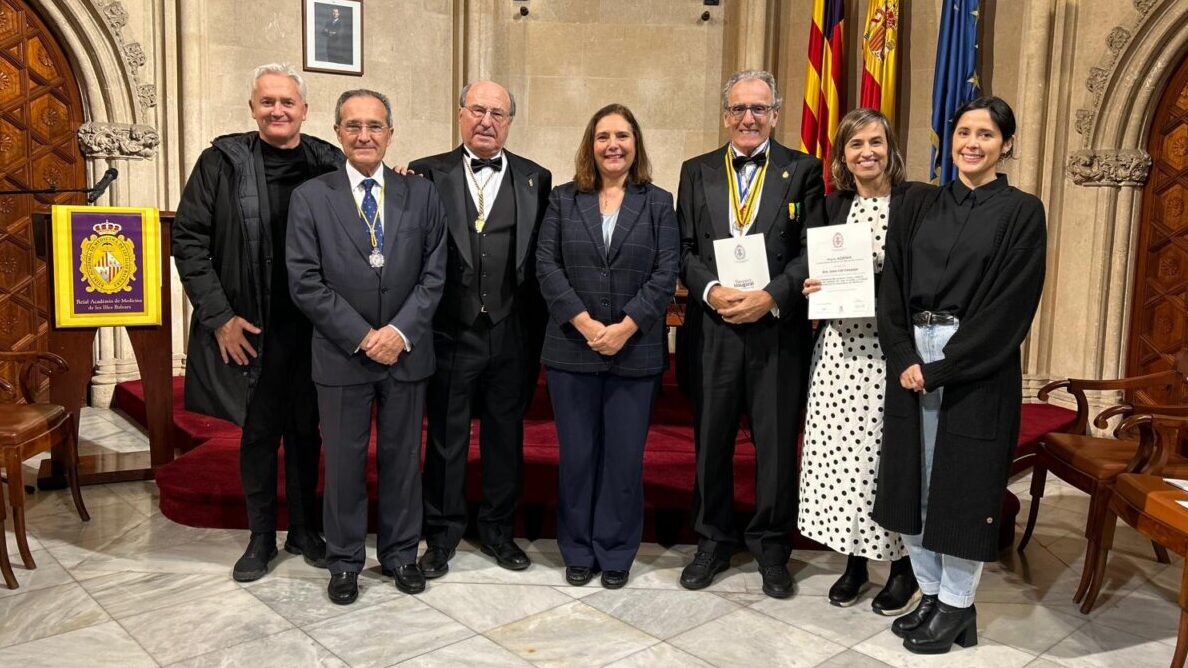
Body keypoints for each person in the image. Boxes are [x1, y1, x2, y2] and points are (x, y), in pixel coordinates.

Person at [874, 96, 1046, 654]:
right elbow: (891, 283)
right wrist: (903, 356)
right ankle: (929, 593)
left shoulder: (1021, 211)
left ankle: (956, 605)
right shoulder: (918, 203)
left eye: (987, 135)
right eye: (964, 131)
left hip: (974, 361)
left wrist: (942, 367)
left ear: (1007, 145)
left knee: (962, 488)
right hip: (911, 357)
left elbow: (1010, 306)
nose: (972, 142)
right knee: (913, 485)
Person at [173, 63, 343, 583]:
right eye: (267, 102)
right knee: (260, 432)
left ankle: (306, 531)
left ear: (304, 111)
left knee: (308, 431)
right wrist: (219, 317)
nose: (277, 110)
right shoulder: (221, 161)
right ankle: (262, 536)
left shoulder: (328, 161)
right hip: (250, 328)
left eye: (287, 102)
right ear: (252, 108)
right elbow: (188, 240)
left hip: (314, 328)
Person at [286, 89, 447, 605]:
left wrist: (398, 333)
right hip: (340, 355)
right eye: (353, 126)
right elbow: (305, 281)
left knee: (403, 461)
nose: (364, 135)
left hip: (406, 352)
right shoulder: (311, 196)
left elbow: (435, 273)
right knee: (345, 463)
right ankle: (345, 560)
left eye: (375, 126)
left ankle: (401, 554)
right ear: (337, 133)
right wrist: (361, 336)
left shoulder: (421, 195)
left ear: (391, 134)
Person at [677, 69, 826, 598]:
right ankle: (713, 541)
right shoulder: (695, 171)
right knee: (711, 441)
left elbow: (813, 247)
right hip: (713, 328)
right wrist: (713, 291)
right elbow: (684, 248)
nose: (747, 118)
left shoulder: (803, 170)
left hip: (776, 330)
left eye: (758, 109)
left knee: (777, 444)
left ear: (775, 114)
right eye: (738, 108)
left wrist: (771, 296)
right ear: (725, 114)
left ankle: (771, 546)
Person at [408, 81, 552, 578]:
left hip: (512, 331)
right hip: (450, 329)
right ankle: (442, 534)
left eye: (498, 113)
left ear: (510, 121)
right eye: (477, 110)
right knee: (446, 438)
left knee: (504, 436)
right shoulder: (424, 173)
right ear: (460, 114)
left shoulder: (538, 178)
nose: (487, 120)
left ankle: (497, 530)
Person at [536, 103, 678, 588]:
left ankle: (616, 552)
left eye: (622, 135)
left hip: (634, 352)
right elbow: (547, 267)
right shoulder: (562, 199)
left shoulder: (658, 202)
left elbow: (665, 273)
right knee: (576, 456)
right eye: (602, 136)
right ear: (589, 145)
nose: (612, 145)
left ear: (635, 144)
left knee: (622, 459)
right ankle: (577, 548)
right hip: (570, 351)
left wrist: (623, 328)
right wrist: (585, 323)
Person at [798, 108, 925, 614]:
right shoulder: (832, 207)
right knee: (844, 463)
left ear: (889, 147)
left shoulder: (914, 204)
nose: (866, 152)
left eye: (875, 141)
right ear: (842, 155)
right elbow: (817, 269)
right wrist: (814, 287)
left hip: (888, 355)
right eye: (855, 144)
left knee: (883, 461)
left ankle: (901, 568)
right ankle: (853, 563)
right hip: (839, 354)